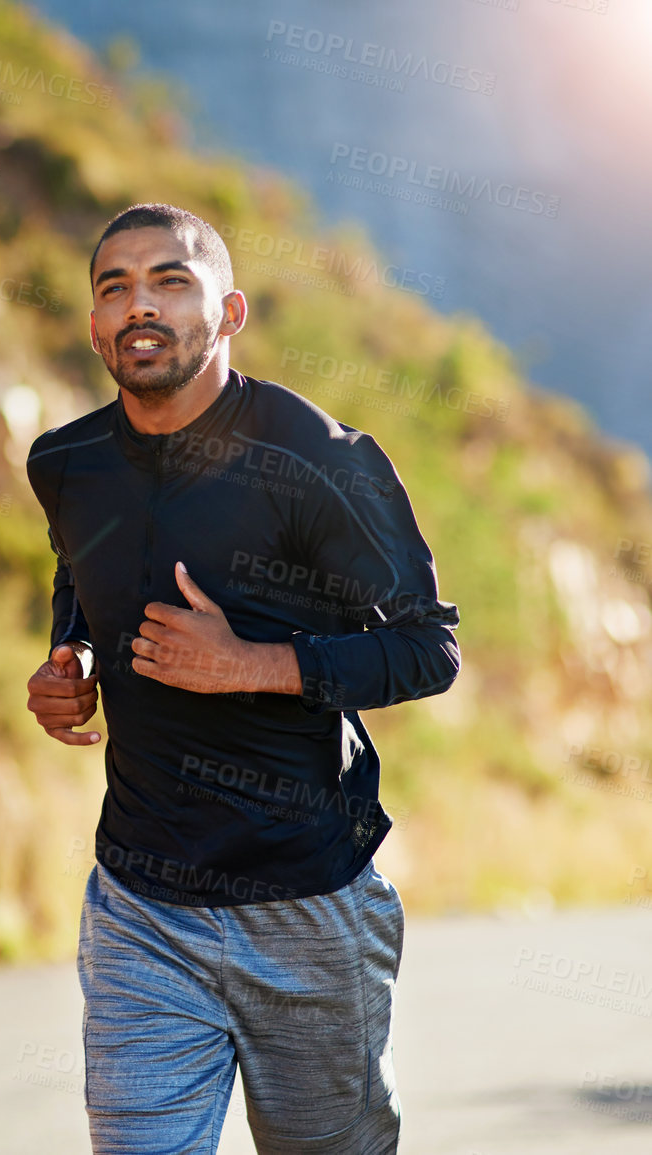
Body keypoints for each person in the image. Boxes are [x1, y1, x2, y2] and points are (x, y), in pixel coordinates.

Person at [25, 204, 460, 1154]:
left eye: (169, 281)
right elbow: (80, 576)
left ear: (228, 313)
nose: (139, 304)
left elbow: (429, 648)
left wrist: (251, 665)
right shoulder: (64, 464)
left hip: (307, 900)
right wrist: (77, 659)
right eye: (114, 287)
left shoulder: (322, 460)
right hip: (139, 903)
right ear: (95, 326)